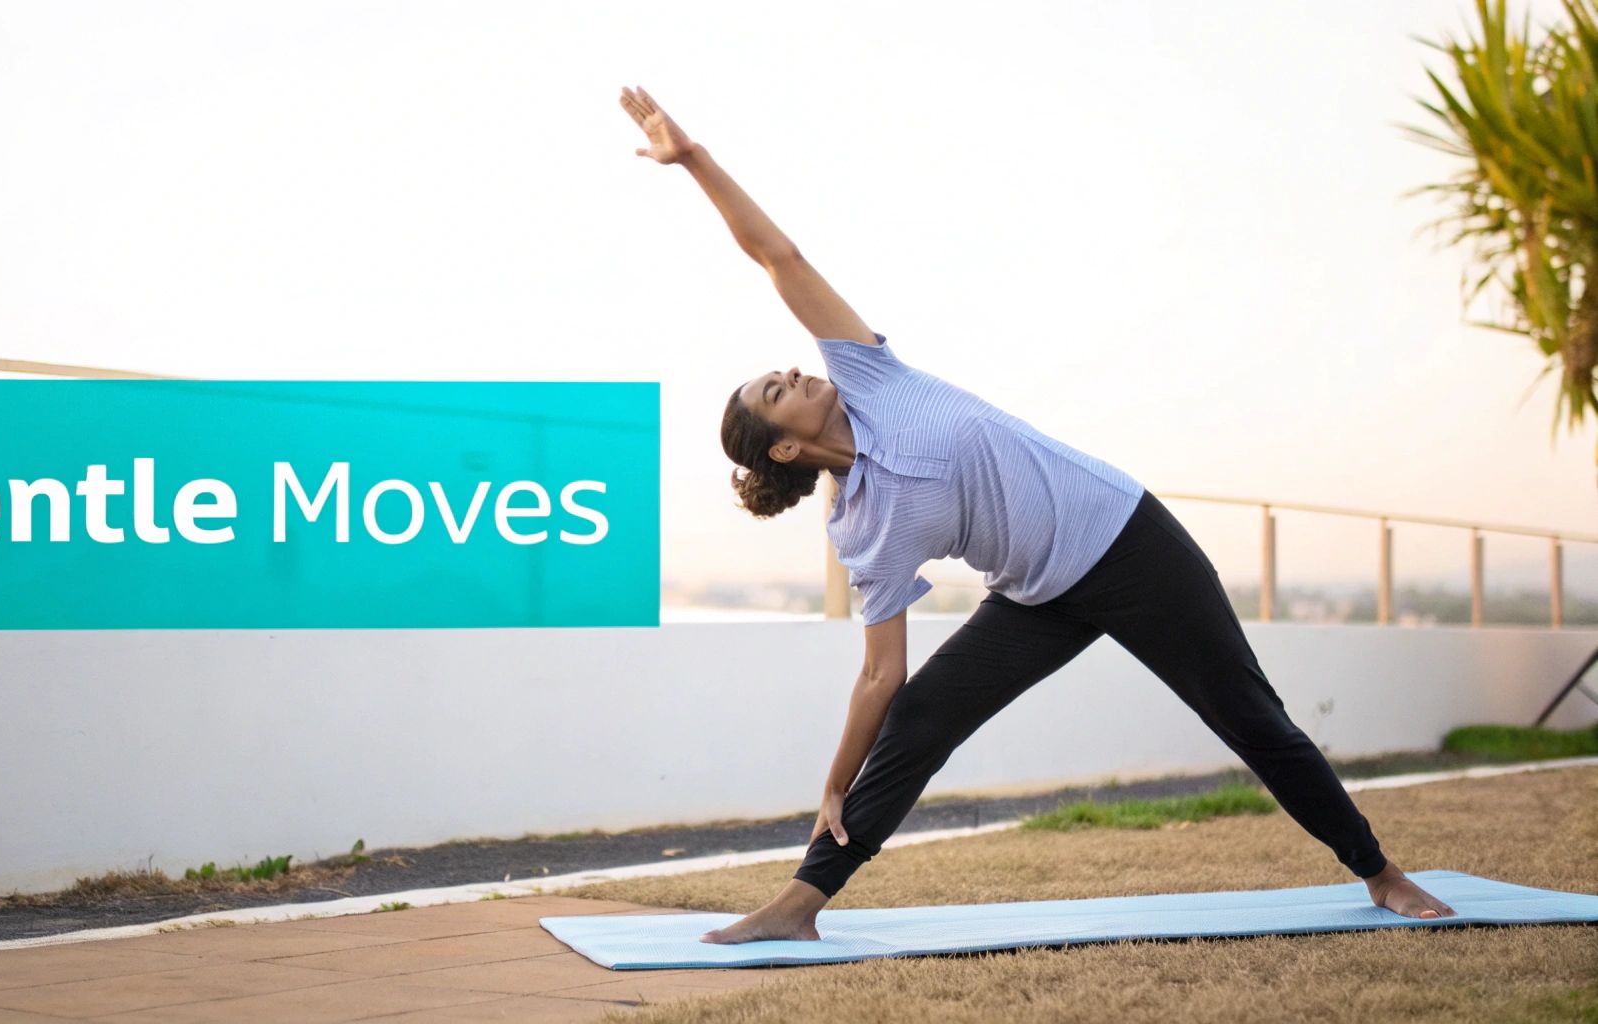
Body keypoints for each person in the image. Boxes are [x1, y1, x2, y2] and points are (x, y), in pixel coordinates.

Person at [617, 85, 1457, 942]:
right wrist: (837, 779)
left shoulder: (869, 374)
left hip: (1126, 542)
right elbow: (880, 676)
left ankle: (1380, 872)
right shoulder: (860, 525)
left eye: (784, 370)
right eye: (775, 390)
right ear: (783, 447)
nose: (791, 374)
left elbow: (779, 256)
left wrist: (694, 161)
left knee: (1247, 716)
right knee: (922, 718)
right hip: (1035, 594)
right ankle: (800, 905)